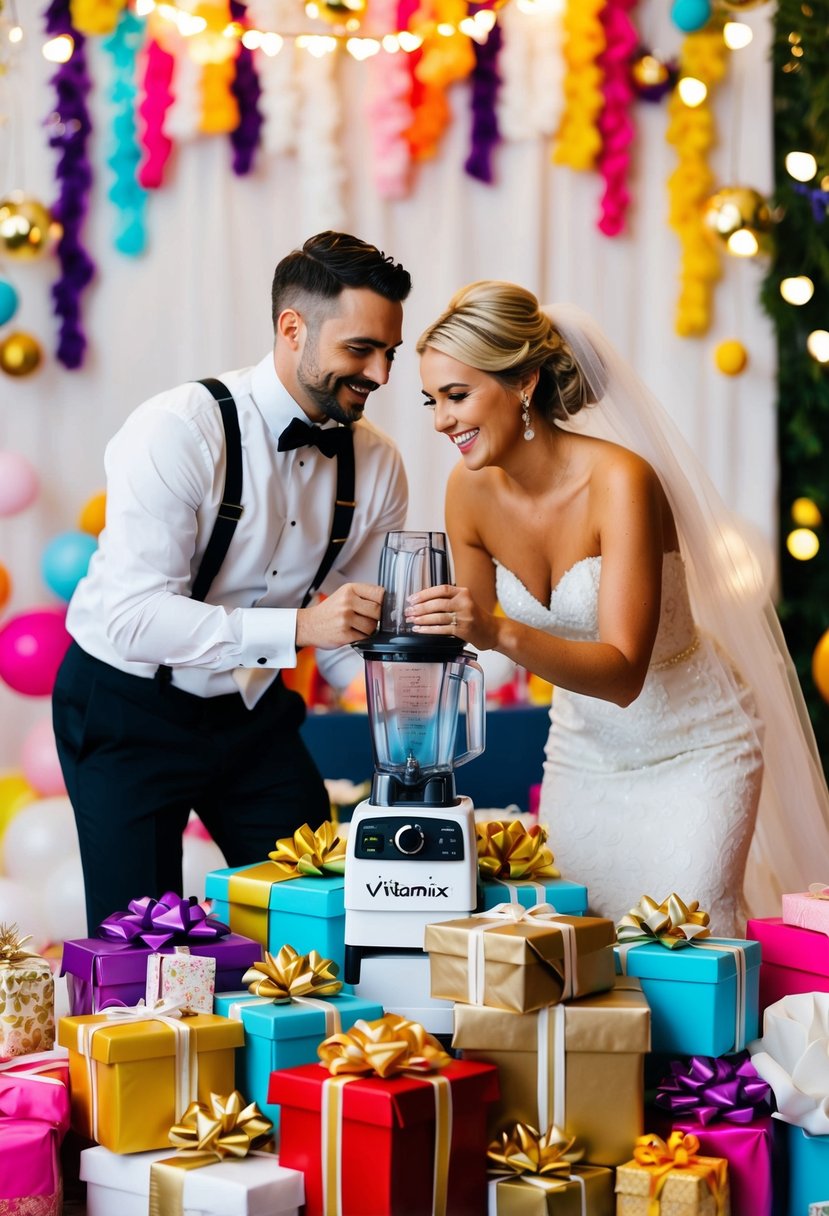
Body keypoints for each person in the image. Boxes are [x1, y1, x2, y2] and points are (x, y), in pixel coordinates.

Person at [407, 280, 829, 935]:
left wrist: (493, 629)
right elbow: (470, 641)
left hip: (696, 746)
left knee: (685, 940)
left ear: (523, 382)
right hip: (584, 755)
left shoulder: (620, 481)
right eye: (432, 401)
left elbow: (623, 672)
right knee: (581, 947)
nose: (441, 421)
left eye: (456, 396)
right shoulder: (465, 493)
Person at [53, 230, 412, 933]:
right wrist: (304, 627)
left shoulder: (379, 465)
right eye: (360, 350)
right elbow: (133, 617)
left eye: (390, 354)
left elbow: (348, 642)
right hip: (127, 702)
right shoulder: (179, 430)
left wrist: (411, 713)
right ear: (291, 328)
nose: (380, 374)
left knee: (322, 917)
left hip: (249, 716)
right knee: (142, 945)